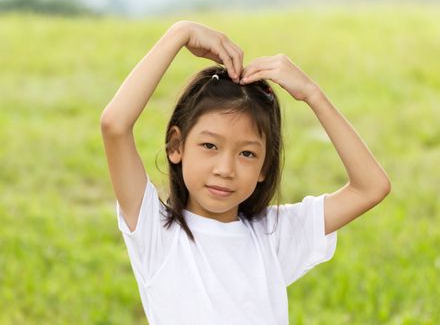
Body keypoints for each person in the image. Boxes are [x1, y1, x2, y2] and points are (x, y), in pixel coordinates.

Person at [100, 21, 391, 325]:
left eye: (247, 153)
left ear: (265, 166)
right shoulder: (156, 232)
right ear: (176, 146)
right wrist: (180, 34)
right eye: (210, 145)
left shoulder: (272, 235)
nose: (225, 169)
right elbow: (115, 125)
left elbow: (371, 187)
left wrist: (312, 95)